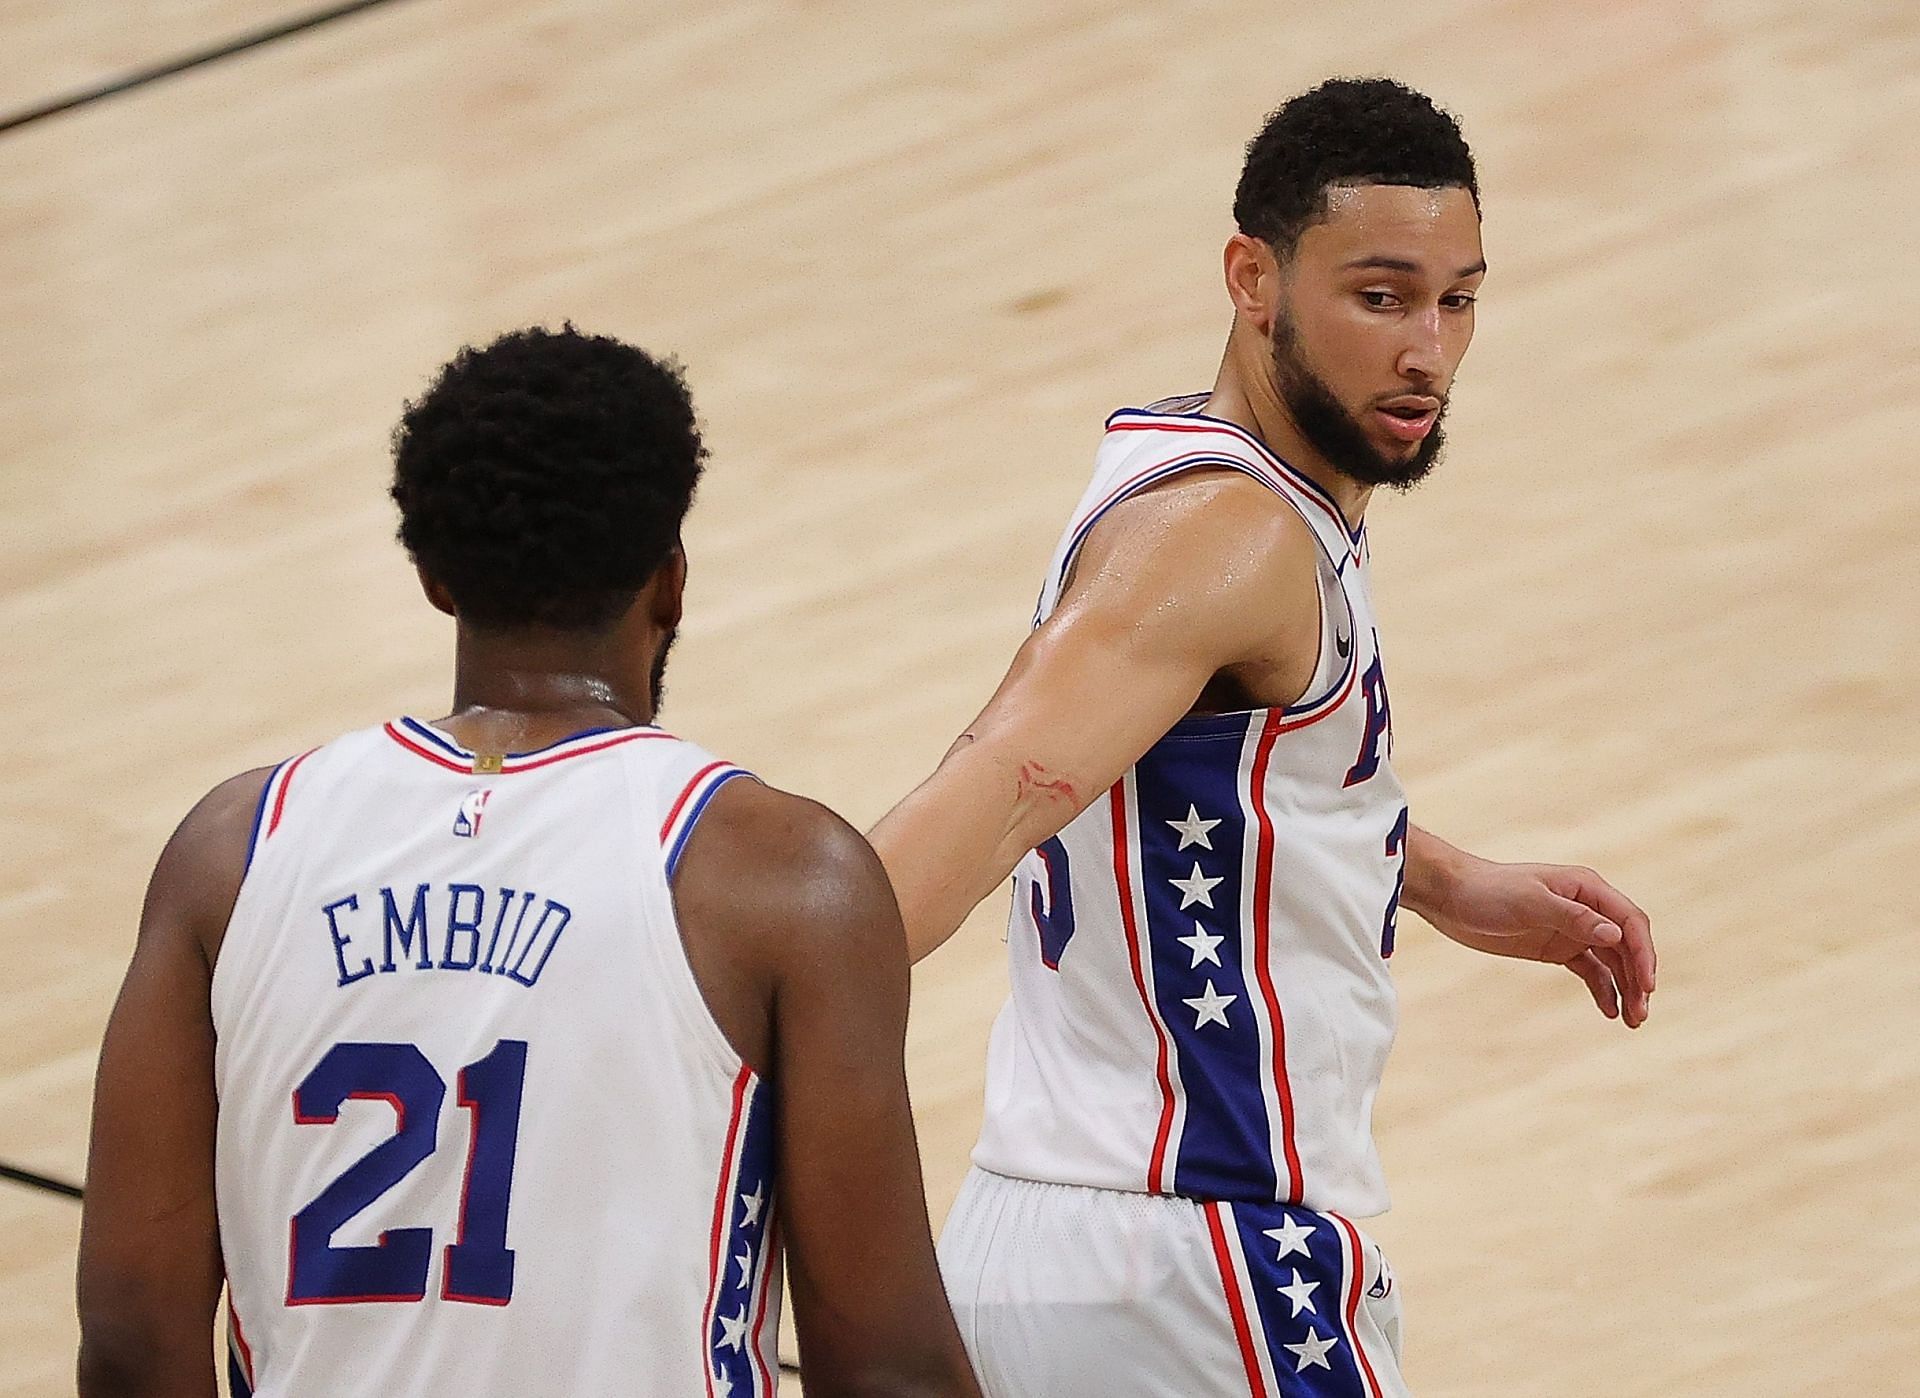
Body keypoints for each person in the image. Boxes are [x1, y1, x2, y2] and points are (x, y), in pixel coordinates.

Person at [869, 79, 1657, 1397]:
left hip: (1061, 1230)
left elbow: (1198, 771)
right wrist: (686, 1027)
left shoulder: (1196, 487)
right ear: (1254, 276)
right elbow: (979, 808)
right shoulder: (1228, 539)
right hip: (1202, 1255)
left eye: (1458, 298)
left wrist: (1444, 877)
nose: (1428, 351)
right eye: (1381, 295)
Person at [75, 327, 982, 1398]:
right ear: (673, 580)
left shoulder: (231, 850)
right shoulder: (785, 881)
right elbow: (885, 1367)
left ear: (433, 576)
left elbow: (136, 1333)